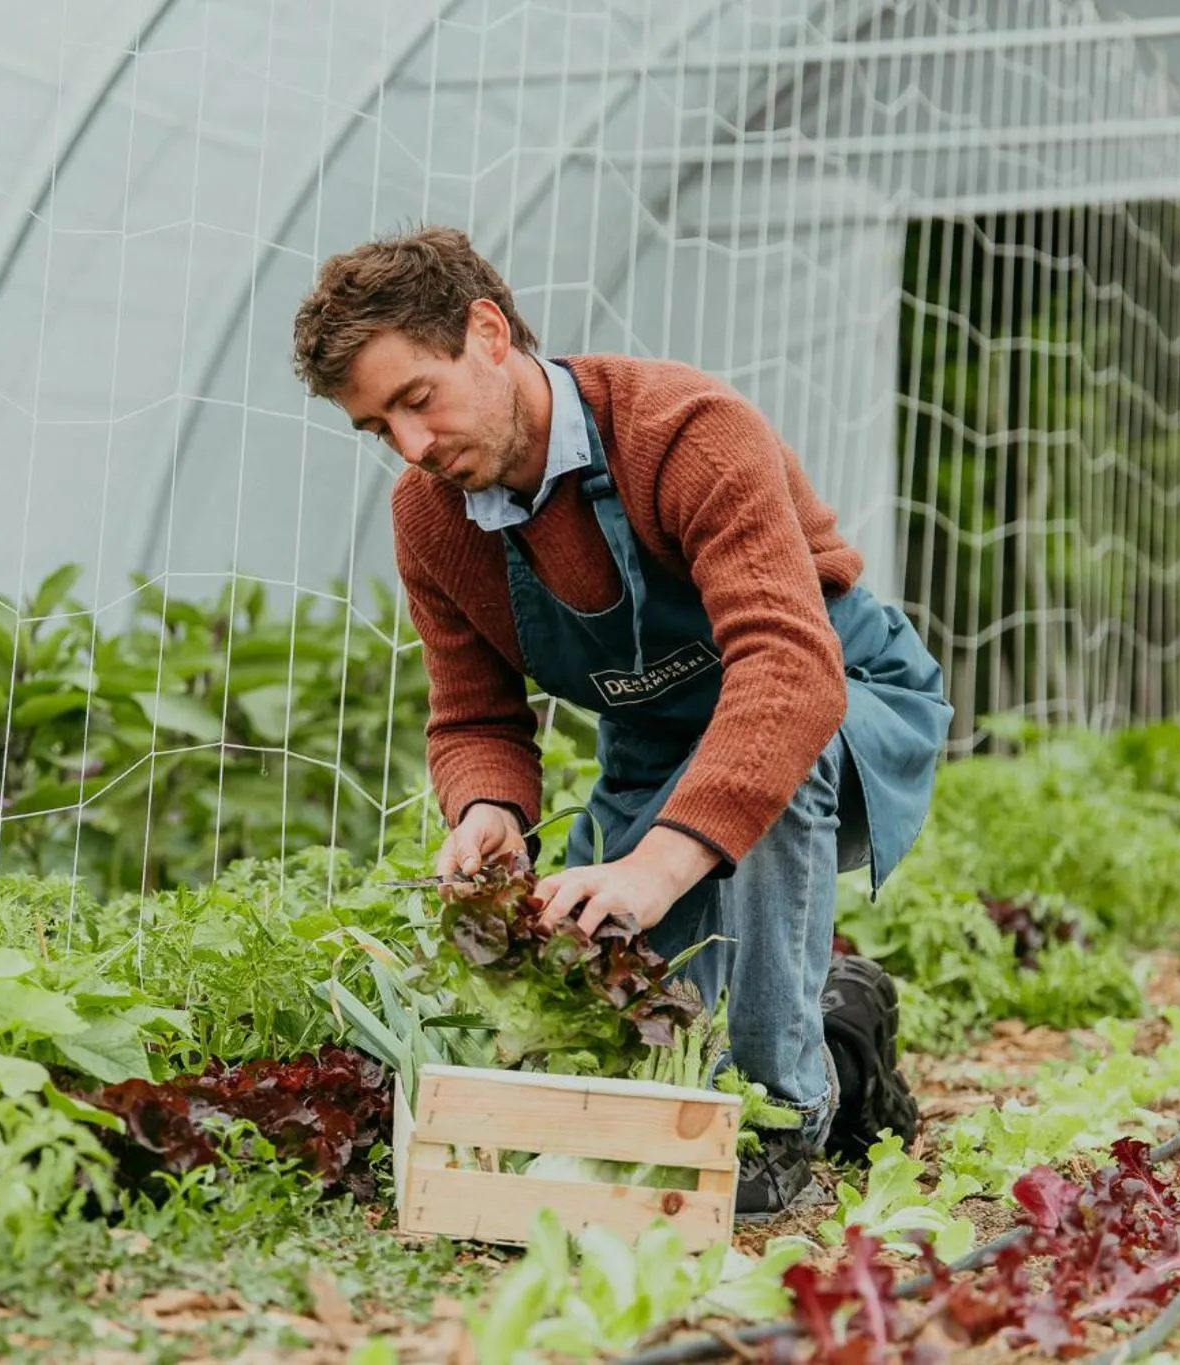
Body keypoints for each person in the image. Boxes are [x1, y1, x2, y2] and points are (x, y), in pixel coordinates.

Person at [289, 225, 953, 1218]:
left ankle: (774, 1122)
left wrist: (652, 868)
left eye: (416, 400)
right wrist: (487, 811)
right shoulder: (429, 519)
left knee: (760, 780)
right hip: (653, 750)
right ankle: (841, 1035)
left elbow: (784, 674)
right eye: (378, 427)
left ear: (486, 331)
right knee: (629, 993)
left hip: (839, 699)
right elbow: (472, 712)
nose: (412, 446)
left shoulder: (681, 430)